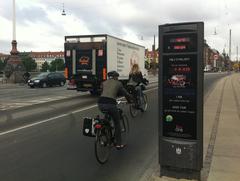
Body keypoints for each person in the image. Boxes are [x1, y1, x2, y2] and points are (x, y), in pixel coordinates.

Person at [97, 71, 132, 149]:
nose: (117, 78)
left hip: (100, 103)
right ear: (115, 77)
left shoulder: (104, 83)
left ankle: (104, 131)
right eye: (117, 77)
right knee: (117, 124)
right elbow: (125, 94)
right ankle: (118, 144)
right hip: (111, 104)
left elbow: (103, 92)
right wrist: (130, 101)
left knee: (107, 115)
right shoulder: (118, 83)